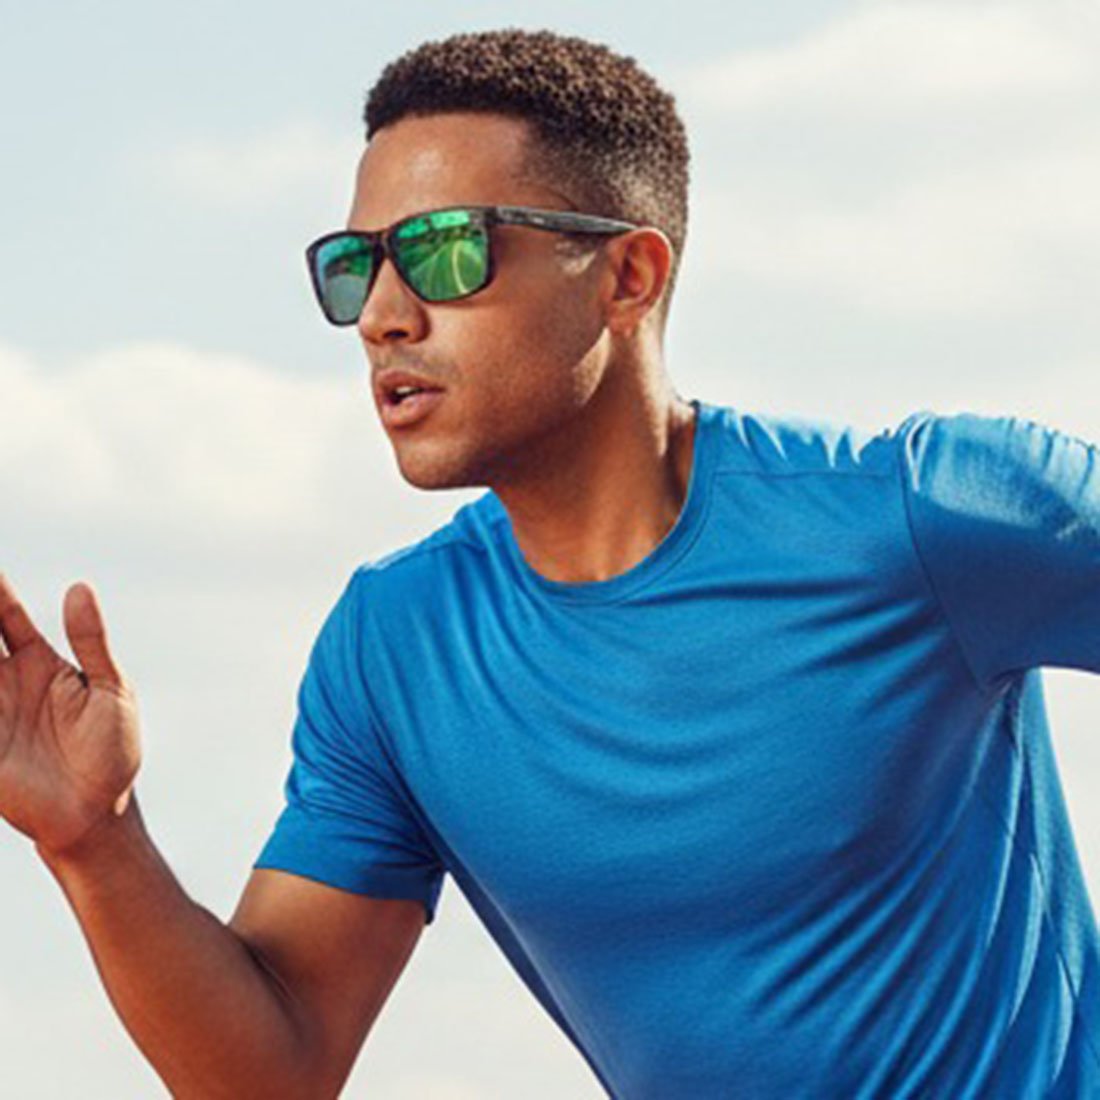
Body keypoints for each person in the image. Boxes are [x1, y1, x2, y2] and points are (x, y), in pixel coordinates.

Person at [1, 26, 1098, 1099]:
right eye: (355, 267)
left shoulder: (924, 514)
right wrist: (95, 840)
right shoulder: (396, 646)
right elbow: (273, 1071)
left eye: (445, 250)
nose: (382, 317)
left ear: (627, 275)